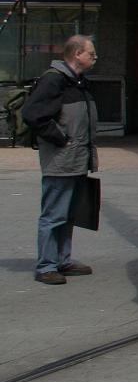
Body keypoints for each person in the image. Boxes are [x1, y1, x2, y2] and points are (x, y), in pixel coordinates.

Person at [21, 35, 100, 285]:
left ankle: (62, 260)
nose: (95, 57)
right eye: (91, 53)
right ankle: (46, 266)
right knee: (54, 214)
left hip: (76, 159)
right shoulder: (54, 80)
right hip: (61, 160)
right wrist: (62, 139)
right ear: (77, 53)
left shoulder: (75, 82)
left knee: (68, 213)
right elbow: (33, 114)